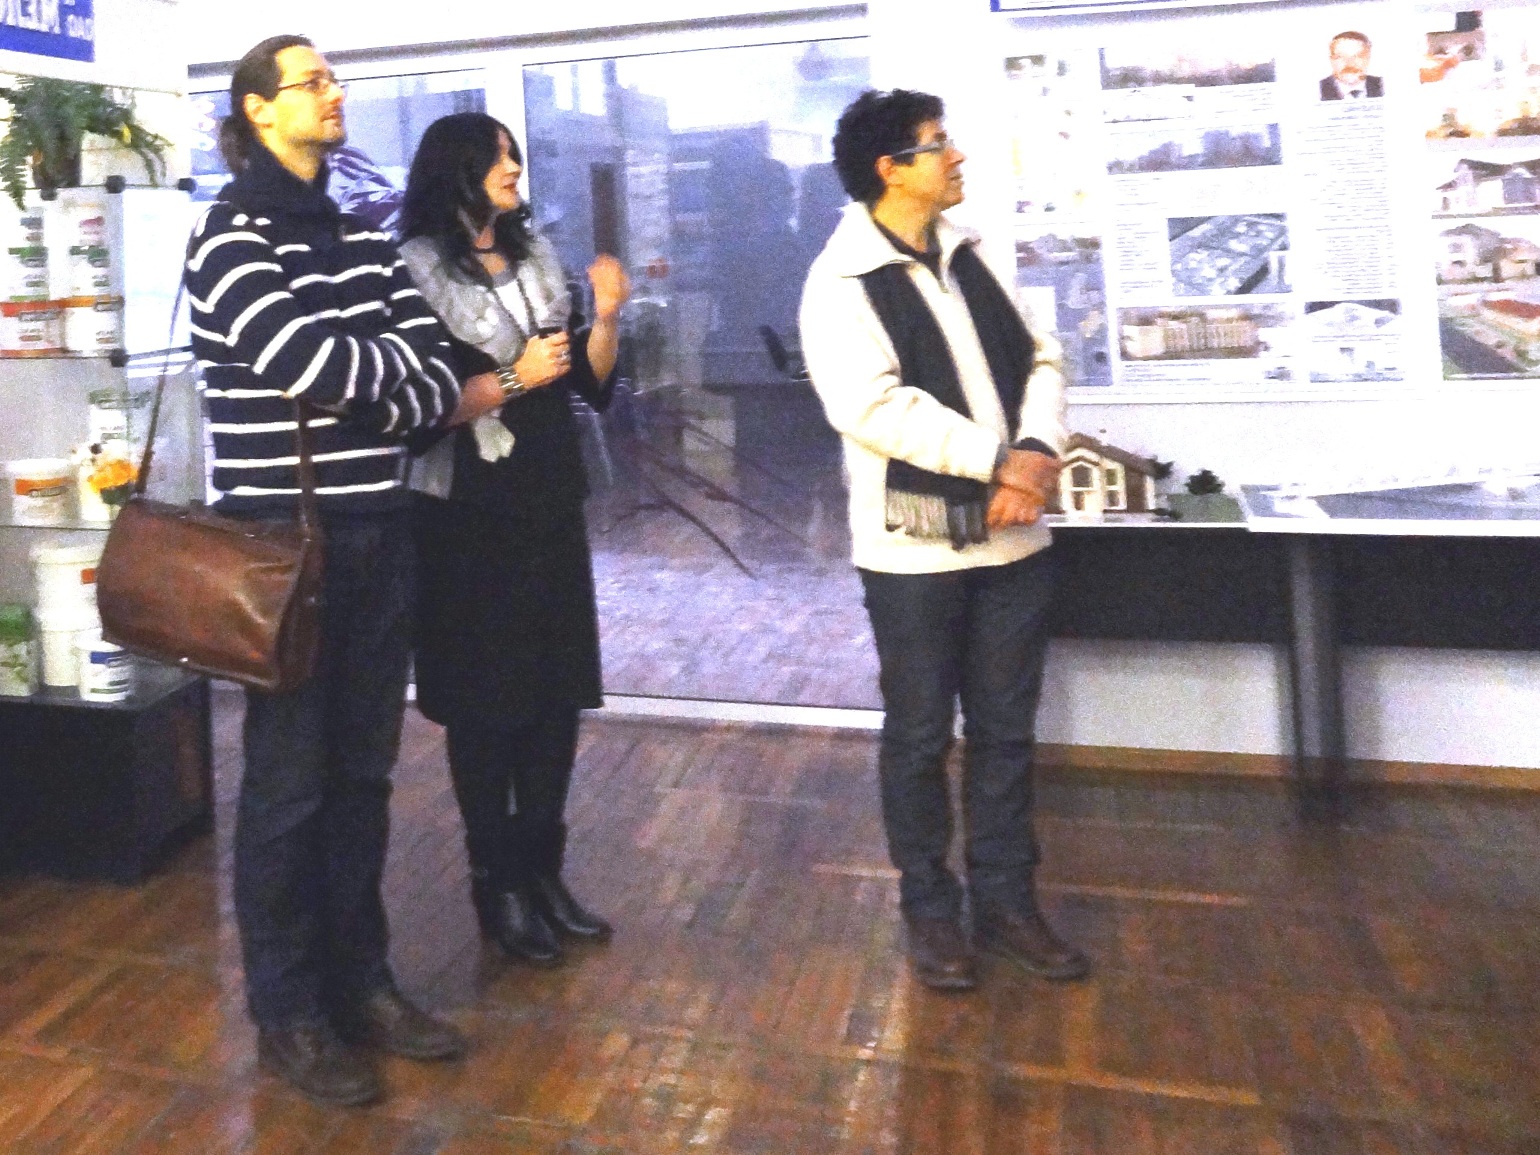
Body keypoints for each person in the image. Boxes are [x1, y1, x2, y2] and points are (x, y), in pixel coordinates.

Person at [186, 35, 509, 1106]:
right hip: (283, 544)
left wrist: (389, 382)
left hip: (379, 529)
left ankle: (360, 982)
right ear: (257, 109)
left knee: (363, 776)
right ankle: (288, 1013)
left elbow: (433, 367)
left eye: (333, 79)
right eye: (312, 82)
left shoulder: (360, 235)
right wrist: (393, 383)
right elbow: (316, 363)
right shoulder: (229, 237)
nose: (334, 93)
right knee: (287, 785)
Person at [799, 89, 1088, 992]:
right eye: (937, 144)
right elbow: (870, 407)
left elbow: (1043, 356)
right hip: (914, 550)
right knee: (921, 735)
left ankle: (1006, 900)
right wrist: (1001, 462)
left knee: (1005, 733)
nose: (956, 156)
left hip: (1014, 538)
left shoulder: (972, 252)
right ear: (891, 169)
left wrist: (1036, 451)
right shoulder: (839, 279)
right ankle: (931, 908)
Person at [397, 113, 629, 968]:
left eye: (515, 155)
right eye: (499, 156)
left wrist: (608, 316)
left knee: (555, 692)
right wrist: (510, 378)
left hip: (546, 498)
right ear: (455, 168)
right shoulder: (412, 270)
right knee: (487, 703)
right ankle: (495, 882)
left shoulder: (537, 257)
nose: (514, 167)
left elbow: (590, 385)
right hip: (465, 513)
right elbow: (416, 413)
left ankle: (542, 872)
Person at [1320, 31, 1383, 99]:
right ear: (1331, 60)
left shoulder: (1383, 85)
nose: (1349, 63)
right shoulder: (1316, 90)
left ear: (1368, 58)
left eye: (1358, 56)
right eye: (1340, 56)